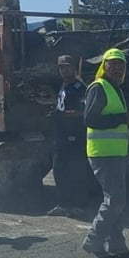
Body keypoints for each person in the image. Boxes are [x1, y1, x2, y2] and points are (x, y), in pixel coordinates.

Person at [82, 48, 129, 257]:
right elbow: (90, 119)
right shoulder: (99, 87)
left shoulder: (114, 88)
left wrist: (128, 120)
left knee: (118, 199)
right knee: (115, 199)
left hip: (114, 152)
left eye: (121, 64)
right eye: (113, 63)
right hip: (102, 153)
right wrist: (123, 119)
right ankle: (94, 239)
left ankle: (116, 243)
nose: (117, 68)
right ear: (104, 65)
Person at [47, 55, 93, 218]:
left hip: (76, 135)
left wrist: (64, 115)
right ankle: (64, 204)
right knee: (59, 169)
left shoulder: (80, 87)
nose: (63, 70)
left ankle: (79, 205)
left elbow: (84, 112)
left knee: (76, 171)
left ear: (74, 67)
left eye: (66, 66)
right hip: (61, 135)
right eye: (61, 67)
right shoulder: (63, 86)